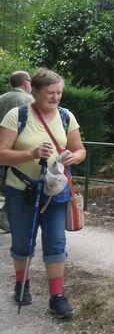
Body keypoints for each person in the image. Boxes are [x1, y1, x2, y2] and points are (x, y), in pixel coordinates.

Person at [0, 68, 86, 318]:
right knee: (23, 240)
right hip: (21, 190)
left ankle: (57, 297)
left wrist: (74, 157)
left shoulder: (66, 116)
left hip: (54, 191)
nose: (56, 97)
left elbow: (80, 150)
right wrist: (30, 154)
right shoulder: (17, 116)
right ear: (34, 91)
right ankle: (22, 284)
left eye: (59, 92)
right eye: (50, 93)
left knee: (56, 242)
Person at [0, 70, 35, 232]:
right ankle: (7, 214)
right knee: (16, 182)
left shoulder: (2, 98)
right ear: (26, 83)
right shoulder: (29, 99)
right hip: (17, 151)